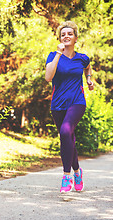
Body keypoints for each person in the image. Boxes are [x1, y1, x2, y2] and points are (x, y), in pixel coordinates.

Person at [45, 21, 94, 193]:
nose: (66, 36)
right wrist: (59, 54)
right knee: (68, 138)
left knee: (66, 131)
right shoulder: (53, 56)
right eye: (63, 34)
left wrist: (88, 78)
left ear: (75, 37)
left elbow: (87, 68)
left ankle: (67, 176)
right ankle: (77, 171)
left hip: (77, 102)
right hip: (57, 104)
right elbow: (48, 77)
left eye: (69, 34)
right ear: (60, 38)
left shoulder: (82, 58)